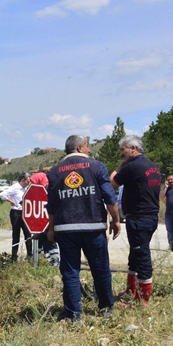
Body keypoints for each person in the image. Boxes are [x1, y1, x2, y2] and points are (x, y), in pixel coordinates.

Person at [47, 135, 121, 321]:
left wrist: (51, 228)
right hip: (93, 227)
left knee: (70, 272)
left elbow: (52, 204)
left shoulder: (55, 171)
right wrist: (116, 219)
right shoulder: (97, 166)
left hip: (65, 229)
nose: (89, 150)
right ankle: (106, 307)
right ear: (79, 148)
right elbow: (109, 197)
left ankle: (73, 315)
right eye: (87, 147)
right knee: (100, 268)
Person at [110, 135, 161, 306]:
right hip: (150, 216)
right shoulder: (152, 166)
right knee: (135, 253)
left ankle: (142, 299)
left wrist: (120, 166)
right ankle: (131, 289)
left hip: (139, 217)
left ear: (133, 148)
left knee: (141, 255)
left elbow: (112, 183)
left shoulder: (132, 166)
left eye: (122, 150)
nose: (120, 154)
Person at [28, 169, 60, 266]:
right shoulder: (50, 186)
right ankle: (43, 260)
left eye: (32, 182)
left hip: (48, 219)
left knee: (49, 239)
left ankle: (54, 260)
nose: (30, 184)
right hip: (43, 219)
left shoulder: (47, 188)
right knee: (43, 239)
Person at [0, 173, 33, 261]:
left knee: (28, 234)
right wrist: (10, 200)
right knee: (16, 234)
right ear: (23, 180)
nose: (28, 183)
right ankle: (14, 256)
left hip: (25, 213)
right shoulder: (14, 187)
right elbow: (2, 194)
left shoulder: (27, 188)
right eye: (27, 181)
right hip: (16, 213)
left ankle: (30, 255)